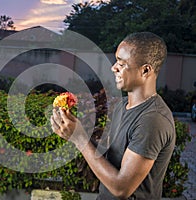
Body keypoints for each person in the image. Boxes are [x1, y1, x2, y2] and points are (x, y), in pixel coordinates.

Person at [51, 32, 176, 199]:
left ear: (145, 70)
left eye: (122, 64)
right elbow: (112, 159)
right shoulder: (121, 106)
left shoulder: (152, 119)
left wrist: (80, 139)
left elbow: (121, 188)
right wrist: (76, 132)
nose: (113, 67)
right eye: (116, 60)